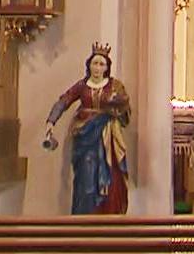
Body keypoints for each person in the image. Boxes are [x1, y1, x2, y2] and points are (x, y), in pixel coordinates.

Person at [42, 43, 132, 215]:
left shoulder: (114, 85)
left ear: (107, 67)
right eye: (94, 63)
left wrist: (117, 103)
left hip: (107, 136)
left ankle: (109, 219)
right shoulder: (82, 86)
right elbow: (64, 101)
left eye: (101, 64)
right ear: (89, 65)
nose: (97, 68)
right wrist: (51, 121)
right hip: (85, 138)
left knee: (111, 177)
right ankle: (85, 220)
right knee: (86, 179)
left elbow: (124, 105)